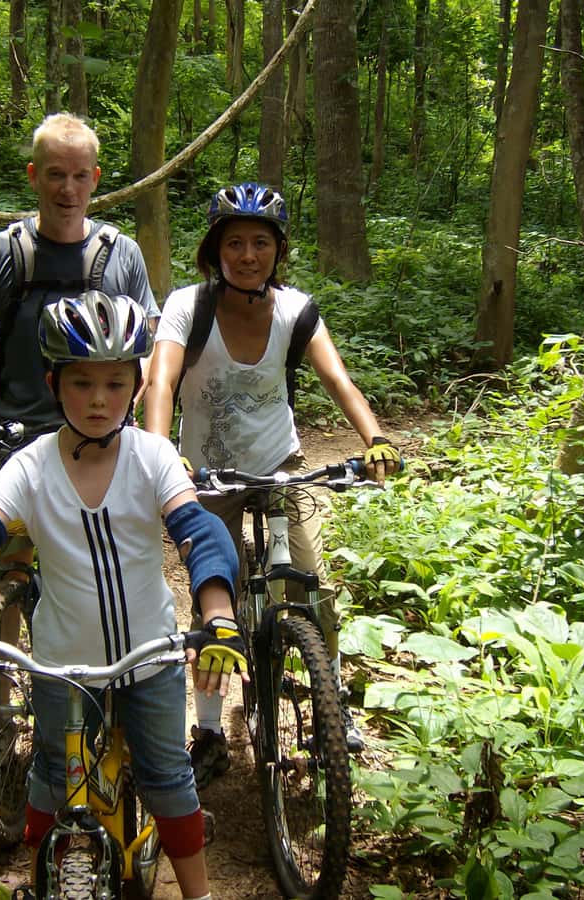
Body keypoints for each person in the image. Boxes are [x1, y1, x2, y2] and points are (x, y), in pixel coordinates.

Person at [0, 292, 247, 900]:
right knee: (47, 781)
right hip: (62, 665)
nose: (98, 399)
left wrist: (218, 616)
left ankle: (197, 895)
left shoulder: (153, 457)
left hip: (150, 656)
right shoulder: (30, 465)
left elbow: (200, 533)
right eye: (81, 381)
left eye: (116, 383)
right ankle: (41, 879)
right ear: (53, 383)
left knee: (169, 779)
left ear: (137, 385)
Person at [144, 182, 401, 784]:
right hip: (206, 477)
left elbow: (338, 379)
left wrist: (375, 439)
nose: (248, 254)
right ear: (215, 250)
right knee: (217, 596)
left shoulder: (295, 310)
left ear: (278, 251)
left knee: (312, 585)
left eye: (261, 242)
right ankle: (208, 728)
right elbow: (161, 382)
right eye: (235, 242)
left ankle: (328, 706)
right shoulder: (188, 306)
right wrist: (159, 451)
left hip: (281, 466)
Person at [0, 112, 159, 576]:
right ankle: (3, 643)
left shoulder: (122, 254)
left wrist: (125, 409)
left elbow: (148, 347)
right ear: (34, 177)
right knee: (11, 565)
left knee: (98, 569)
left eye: (80, 176)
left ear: (95, 179)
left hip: (98, 440)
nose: (68, 189)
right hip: (12, 435)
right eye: (56, 175)